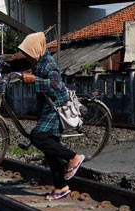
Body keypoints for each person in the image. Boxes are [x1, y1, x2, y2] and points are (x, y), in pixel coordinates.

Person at [17, 31, 85, 201]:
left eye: (28, 52)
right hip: (47, 108)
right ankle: (61, 187)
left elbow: (57, 85)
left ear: (36, 49)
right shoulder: (38, 62)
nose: (26, 56)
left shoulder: (48, 64)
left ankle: (73, 157)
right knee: (51, 150)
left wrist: (34, 80)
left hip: (56, 108)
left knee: (38, 137)